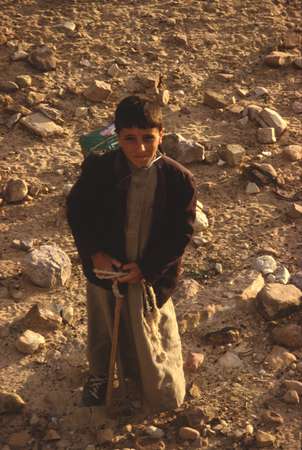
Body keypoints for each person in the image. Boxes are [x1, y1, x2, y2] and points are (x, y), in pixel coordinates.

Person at [66, 95, 196, 411]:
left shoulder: (178, 179)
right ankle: (100, 376)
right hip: (107, 269)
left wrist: (147, 268)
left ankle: (157, 388)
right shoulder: (100, 168)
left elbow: (180, 233)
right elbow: (77, 211)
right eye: (129, 139)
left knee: (151, 332)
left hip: (148, 276)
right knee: (103, 325)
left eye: (147, 138)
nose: (139, 148)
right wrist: (94, 253)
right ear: (118, 137)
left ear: (161, 135)